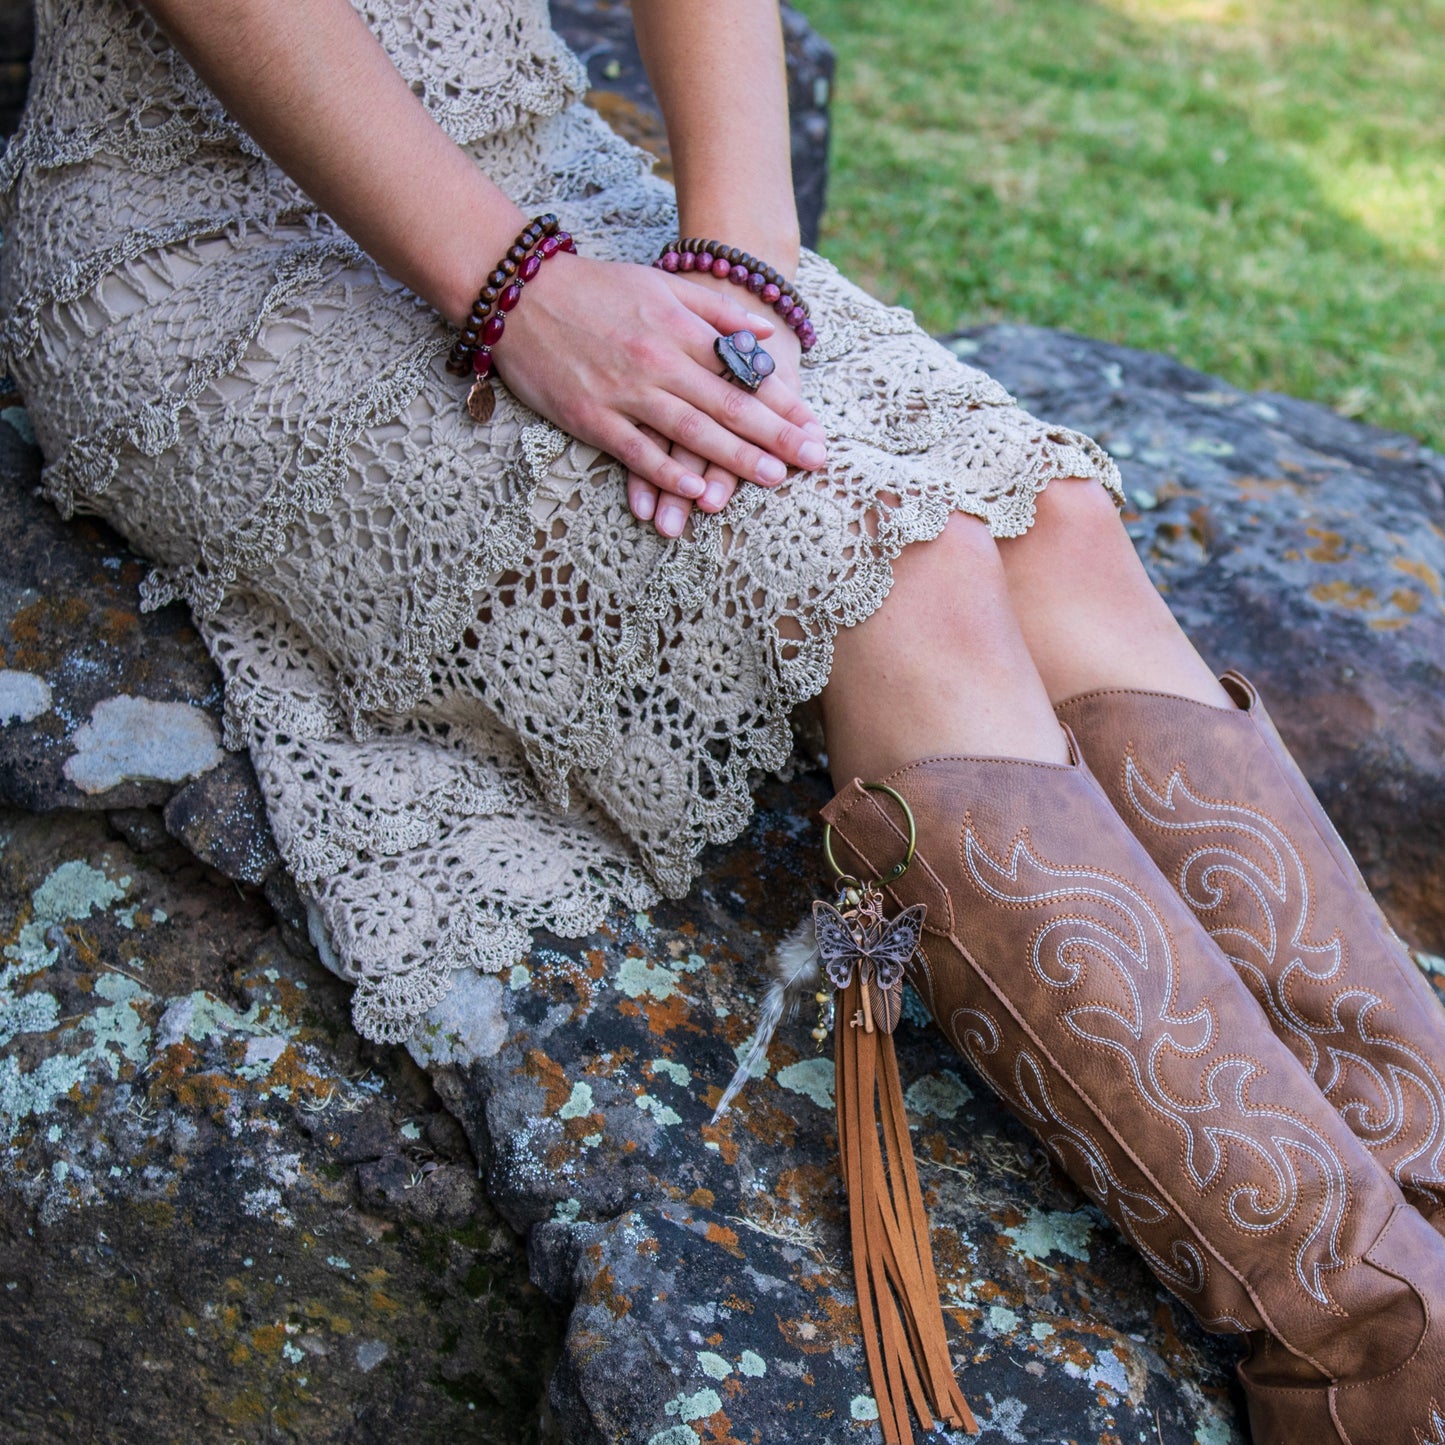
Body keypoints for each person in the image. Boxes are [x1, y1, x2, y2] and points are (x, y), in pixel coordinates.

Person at [3, 2, 1444, 1441]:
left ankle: (1424, 1205)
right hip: (210, 242)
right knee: (899, 576)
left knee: (1052, 520)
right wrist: (523, 294)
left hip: (541, 161)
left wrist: (744, 258)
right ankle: (1367, 1358)